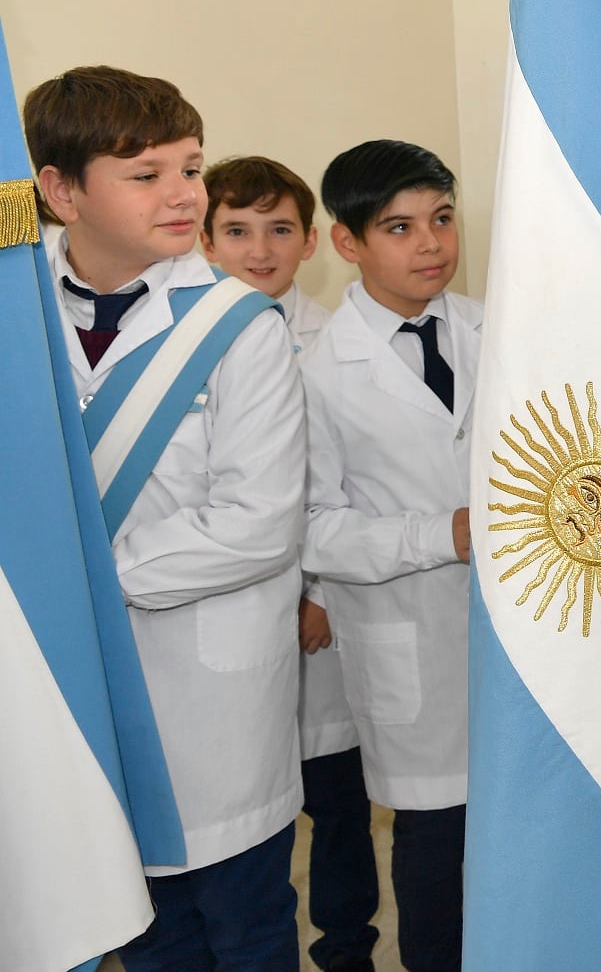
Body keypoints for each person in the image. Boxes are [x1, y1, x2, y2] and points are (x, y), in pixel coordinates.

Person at [26, 67, 307, 971]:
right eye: (145, 174)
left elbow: (258, 522)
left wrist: (78, 581)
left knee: (246, 930)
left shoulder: (239, 326)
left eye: (191, 166)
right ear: (61, 190)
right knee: (137, 935)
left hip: (209, 698)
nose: (185, 193)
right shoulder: (16, 311)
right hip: (64, 692)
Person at [301, 141, 479, 972]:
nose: (431, 243)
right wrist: (439, 534)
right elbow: (313, 530)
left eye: (442, 219)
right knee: (436, 845)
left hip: (515, 633)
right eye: (400, 227)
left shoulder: (493, 329)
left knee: (519, 831)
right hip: (410, 638)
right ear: (347, 243)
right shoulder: (316, 371)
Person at [202, 155, 380, 972]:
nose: (259, 249)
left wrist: (315, 594)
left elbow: (333, 486)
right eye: (237, 231)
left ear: (311, 241)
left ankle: (346, 947)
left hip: (325, 612)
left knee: (337, 805)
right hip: (233, 618)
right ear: (206, 241)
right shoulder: (191, 349)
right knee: (250, 819)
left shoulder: (333, 340)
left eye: (279, 230)